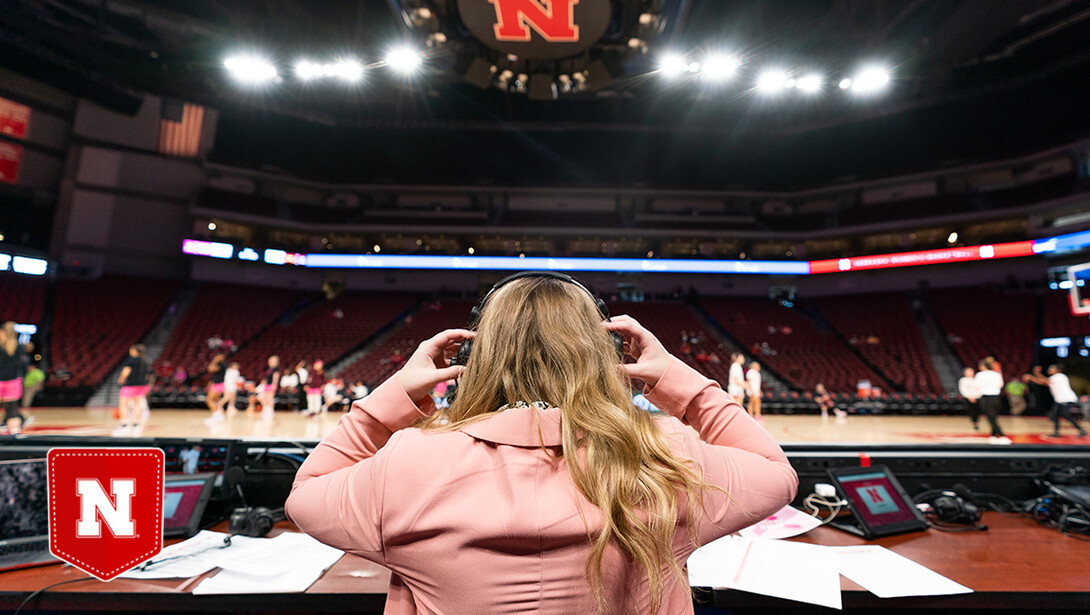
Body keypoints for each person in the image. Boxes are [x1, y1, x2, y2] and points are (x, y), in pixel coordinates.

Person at [286, 273, 797, 614]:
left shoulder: (407, 461)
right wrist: (677, 381)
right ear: (602, 356)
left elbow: (306, 494)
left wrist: (393, 394)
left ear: (479, 356)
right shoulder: (666, 455)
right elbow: (776, 473)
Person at [1028, 365, 1087, 437]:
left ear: (1058, 370)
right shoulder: (1055, 378)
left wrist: (1033, 376)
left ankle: (1081, 430)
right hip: (1060, 400)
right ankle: (1056, 433)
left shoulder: (1059, 376)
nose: (1049, 370)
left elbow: (1044, 381)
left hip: (1066, 399)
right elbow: (1044, 380)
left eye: (1052, 368)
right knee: (1055, 416)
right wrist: (1036, 374)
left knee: (1066, 416)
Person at [116, 344, 151, 436]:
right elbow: (148, 375)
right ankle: (136, 423)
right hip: (142, 386)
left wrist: (121, 379)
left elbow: (126, 371)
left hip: (131, 385)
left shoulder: (131, 360)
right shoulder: (145, 361)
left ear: (135, 351)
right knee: (137, 405)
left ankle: (124, 424)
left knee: (123, 404)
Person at [974, 358, 1009, 443]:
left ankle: (1001, 435)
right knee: (993, 416)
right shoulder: (996, 374)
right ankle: (993, 435)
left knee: (991, 417)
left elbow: (977, 385)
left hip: (986, 397)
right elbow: (1001, 385)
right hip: (996, 397)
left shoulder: (980, 375)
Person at [0, 322, 24, 435]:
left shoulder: (1, 346)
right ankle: (15, 432)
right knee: (12, 409)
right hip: (13, 381)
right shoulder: (20, 347)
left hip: (0, 381)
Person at [203, 354, 227, 426]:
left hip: (218, 385)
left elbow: (210, 369)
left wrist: (215, 360)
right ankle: (218, 416)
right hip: (220, 384)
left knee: (209, 400)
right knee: (216, 401)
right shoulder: (224, 365)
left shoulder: (221, 365)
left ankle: (216, 416)